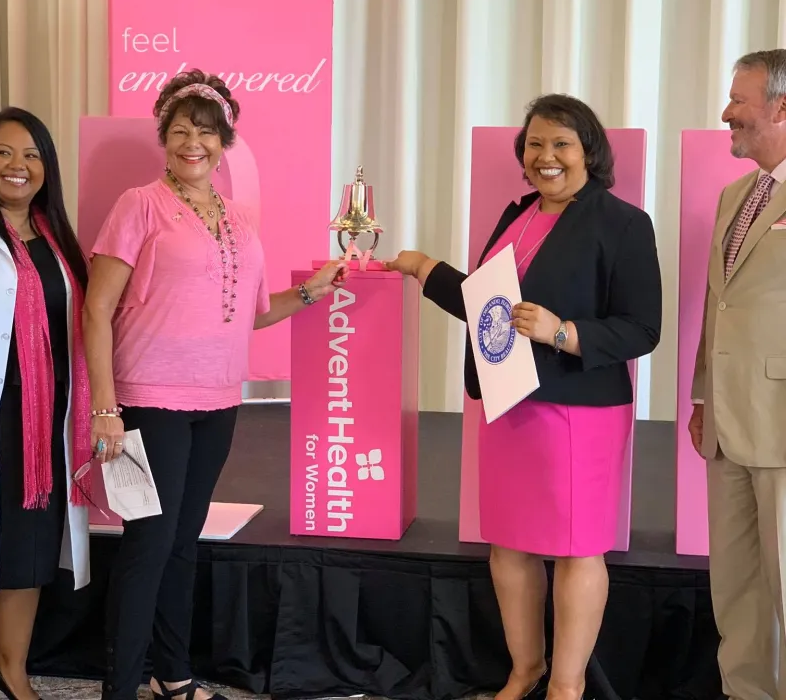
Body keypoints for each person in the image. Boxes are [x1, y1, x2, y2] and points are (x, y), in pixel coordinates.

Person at [83, 69, 349, 700]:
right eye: (179, 131)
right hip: (149, 399)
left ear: (224, 142)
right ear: (164, 139)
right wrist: (105, 407)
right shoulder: (138, 205)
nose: (191, 143)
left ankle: (171, 675)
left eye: (205, 132)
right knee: (148, 546)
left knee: (182, 544)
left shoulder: (236, 218)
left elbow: (255, 311)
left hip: (218, 402)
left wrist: (315, 290)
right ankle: (119, 688)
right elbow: (97, 309)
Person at [386, 94, 661, 700]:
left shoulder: (623, 224)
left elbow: (644, 328)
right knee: (508, 546)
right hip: (507, 405)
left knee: (576, 551)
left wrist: (563, 332)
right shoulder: (518, 215)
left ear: (589, 150)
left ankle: (567, 687)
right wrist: (424, 268)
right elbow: (492, 311)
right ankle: (525, 670)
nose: (546, 156)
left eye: (561, 143)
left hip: (578, 412)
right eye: (535, 144)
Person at [689, 49, 786, 700]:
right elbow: (716, 303)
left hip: (780, 425)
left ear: (781, 108)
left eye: (739, 100)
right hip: (726, 423)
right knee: (739, 591)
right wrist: (700, 393)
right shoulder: (734, 196)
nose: (726, 113)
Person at [0, 107, 92, 700]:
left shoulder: (56, 240)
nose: (18, 166)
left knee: (25, 547)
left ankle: (11, 671)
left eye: (31, 155)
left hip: (40, 419)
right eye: (3, 152)